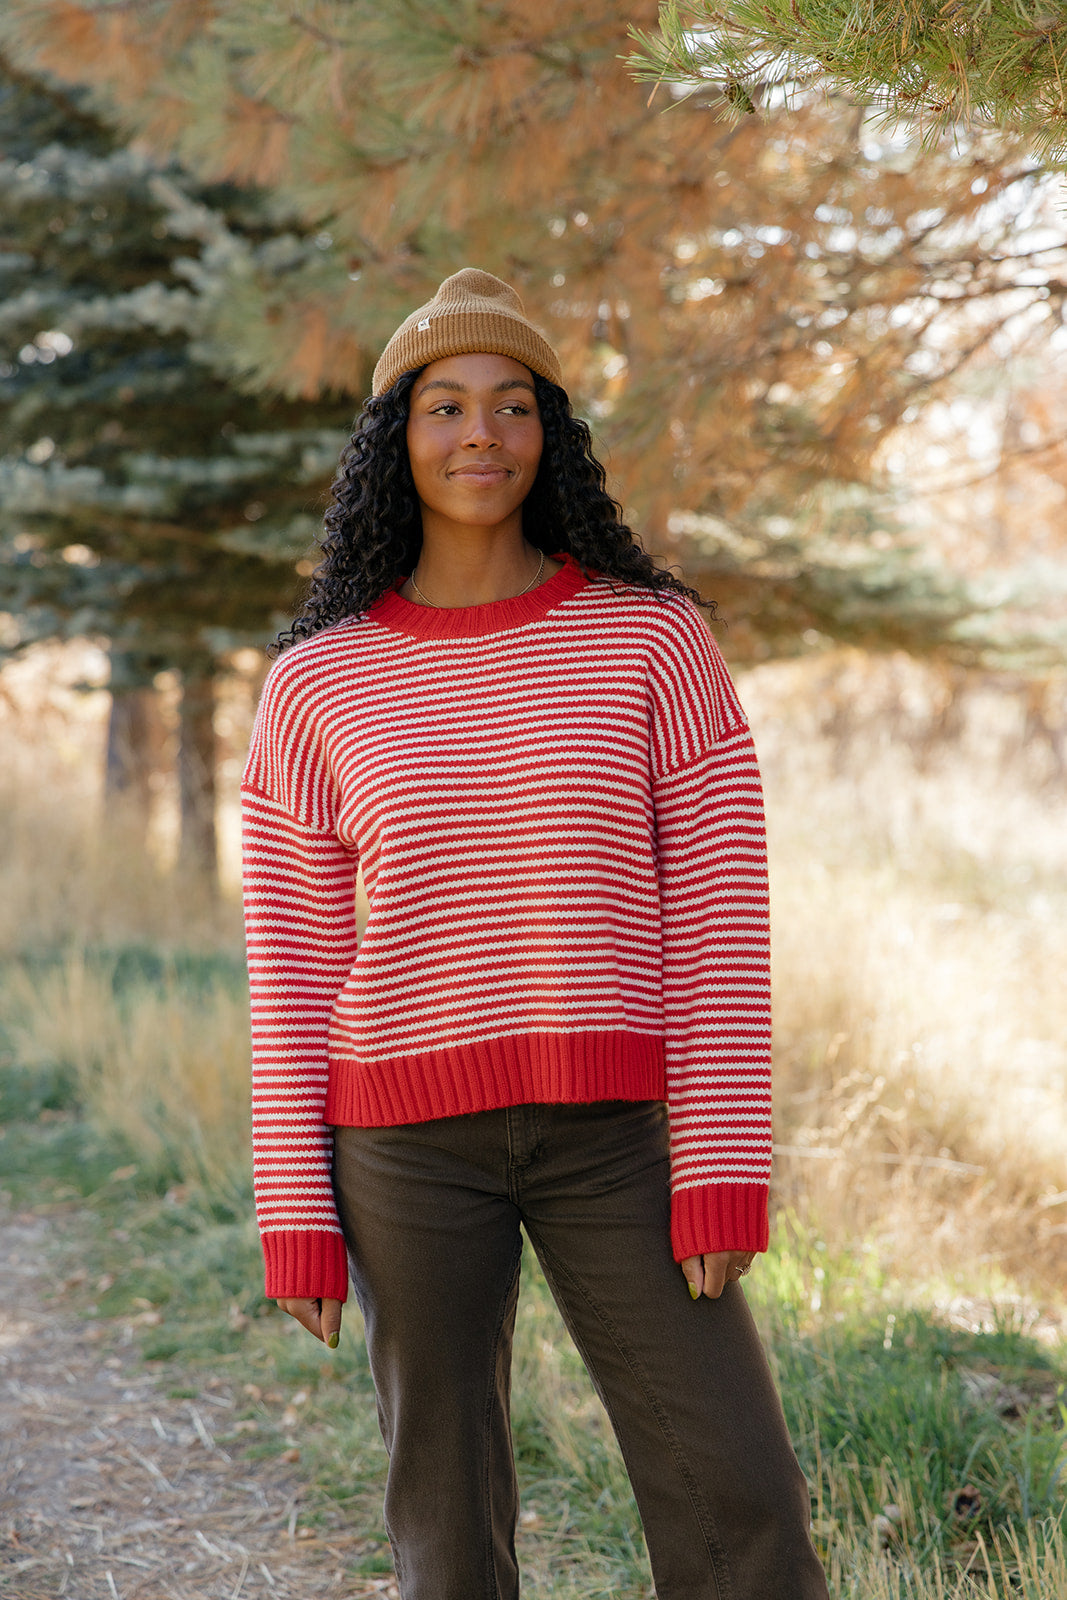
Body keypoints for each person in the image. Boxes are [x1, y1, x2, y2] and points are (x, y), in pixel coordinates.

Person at [241, 268, 830, 1600]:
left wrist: (724, 1156)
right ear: (396, 439)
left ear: (550, 436)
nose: (480, 435)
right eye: (443, 406)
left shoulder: (652, 641)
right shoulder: (315, 684)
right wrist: (295, 1204)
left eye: (515, 406)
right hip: (400, 1146)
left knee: (741, 1500)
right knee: (444, 1531)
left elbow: (724, 912)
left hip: (619, 1140)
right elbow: (291, 962)